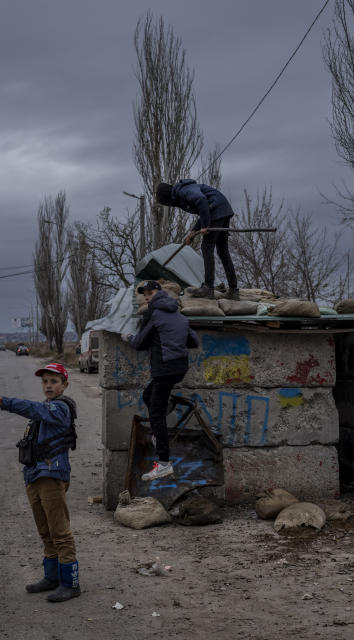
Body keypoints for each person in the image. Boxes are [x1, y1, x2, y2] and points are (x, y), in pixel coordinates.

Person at [0, 363, 81, 603]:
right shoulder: (48, 407)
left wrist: (4, 401)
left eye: (54, 381)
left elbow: (33, 409)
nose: (48, 385)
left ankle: (70, 583)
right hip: (35, 475)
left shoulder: (60, 408)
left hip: (51, 475)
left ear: (64, 385)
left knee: (60, 532)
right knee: (45, 530)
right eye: (45, 381)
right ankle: (52, 577)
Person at [123, 281, 200, 481]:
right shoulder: (180, 316)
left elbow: (140, 343)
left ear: (159, 293)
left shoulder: (153, 313)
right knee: (148, 396)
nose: (147, 296)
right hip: (179, 368)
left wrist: (128, 337)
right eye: (144, 293)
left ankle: (164, 463)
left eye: (150, 292)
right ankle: (160, 433)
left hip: (164, 369)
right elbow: (193, 341)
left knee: (156, 412)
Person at [155, 179, 239, 300]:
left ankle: (208, 288)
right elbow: (204, 210)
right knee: (222, 251)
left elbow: (201, 201)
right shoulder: (182, 193)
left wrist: (205, 225)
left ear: (167, 198)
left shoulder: (183, 191)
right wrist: (193, 232)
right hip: (222, 209)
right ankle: (233, 290)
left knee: (206, 247)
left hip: (217, 210)